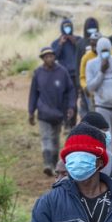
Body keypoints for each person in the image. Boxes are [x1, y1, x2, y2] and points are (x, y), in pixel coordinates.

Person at [29, 47, 75, 176]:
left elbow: (71, 90)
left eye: (51, 56)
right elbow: (33, 93)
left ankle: (54, 164)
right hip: (43, 113)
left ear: (55, 57)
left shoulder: (62, 72)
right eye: (46, 56)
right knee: (46, 138)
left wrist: (71, 107)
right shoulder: (38, 73)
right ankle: (47, 163)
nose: (49, 58)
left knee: (55, 139)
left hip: (58, 113)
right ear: (43, 59)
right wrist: (31, 111)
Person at [51, 18, 81, 124]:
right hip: (62, 76)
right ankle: (65, 123)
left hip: (75, 76)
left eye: (69, 26)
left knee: (74, 101)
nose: (67, 29)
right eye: (65, 27)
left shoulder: (78, 40)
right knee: (63, 100)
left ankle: (72, 124)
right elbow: (53, 58)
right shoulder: (56, 42)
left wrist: (75, 43)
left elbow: (82, 54)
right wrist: (60, 44)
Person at [79, 112, 112, 180]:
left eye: (107, 131)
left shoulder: (109, 156)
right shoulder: (76, 159)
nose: (107, 135)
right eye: (104, 132)